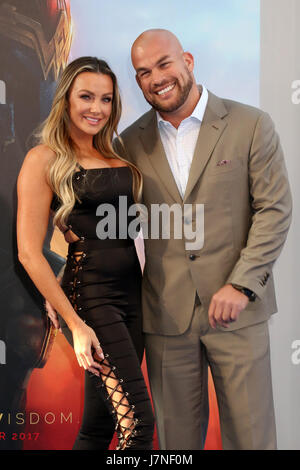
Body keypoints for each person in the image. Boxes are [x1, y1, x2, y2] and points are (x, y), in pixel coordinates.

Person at [111, 29, 292, 450]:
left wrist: (242, 284)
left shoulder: (251, 124)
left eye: (163, 64)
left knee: (252, 440)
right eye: (143, 73)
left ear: (187, 60)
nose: (156, 78)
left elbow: (274, 211)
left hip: (238, 313)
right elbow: (120, 223)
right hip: (165, 320)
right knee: (176, 447)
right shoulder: (129, 143)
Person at [16, 56, 154, 451]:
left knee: (98, 427)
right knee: (138, 426)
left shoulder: (117, 155)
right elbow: (29, 253)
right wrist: (75, 324)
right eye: (86, 97)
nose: (97, 108)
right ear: (66, 100)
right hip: (92, 300)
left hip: (133, 296)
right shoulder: (43, 158)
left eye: (106, 99)